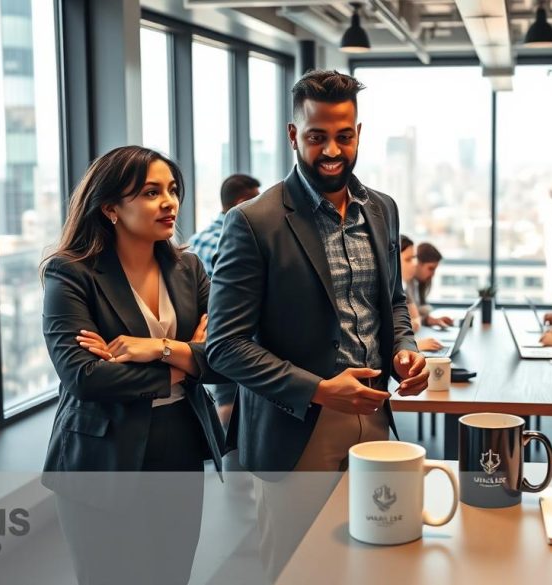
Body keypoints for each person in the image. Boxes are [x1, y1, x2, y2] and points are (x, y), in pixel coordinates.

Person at [205, 70, 429, 580]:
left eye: (343, 135)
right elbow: (224, 345)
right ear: (293, 135)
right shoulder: (253, 222)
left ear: (358, 133)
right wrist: (320, 391)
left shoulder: (382, 210)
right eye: (316, 136)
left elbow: (392, 302)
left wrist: (405, 351)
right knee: (297, 570)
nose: (332, 149)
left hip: (373, 416)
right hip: (295, 427)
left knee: (377, 561)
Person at [40, 146, 225, 585]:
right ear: (110, 208)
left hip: (179, 441)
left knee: (172, 573)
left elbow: (224, 358)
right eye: (149, 192)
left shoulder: (190, 268)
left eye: (173, 190)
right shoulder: (71, 274)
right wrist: (183, 358)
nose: (169, 202)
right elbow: (85, 378)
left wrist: (155, 349)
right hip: (101, 454)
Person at [187, 173, 261, 429]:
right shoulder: (236, 239)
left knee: (222, 399)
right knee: (229, 403)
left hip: (205, 336)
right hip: (235, 338)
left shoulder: (198, 238)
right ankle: (227, 454)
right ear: (242, 201)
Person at [187, 173, 261, 277]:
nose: (261, 209)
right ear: (242, 204)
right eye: (258, 203)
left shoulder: (194, 240)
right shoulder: (235, 247)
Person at [400, 236, 444, 353]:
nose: (414, 264)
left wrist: (423, 320)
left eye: (414, 258)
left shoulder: (402, 288)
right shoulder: (398, 289)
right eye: (409, 259)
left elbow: (415, 320)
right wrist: (414, 344)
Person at [411, 242, 455, 327]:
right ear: (417, 263)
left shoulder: (417, 284)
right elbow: (410, 319)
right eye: (430, 268)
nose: (433, 274)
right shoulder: (405, 284)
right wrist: (428, 320)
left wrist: (433, 320)